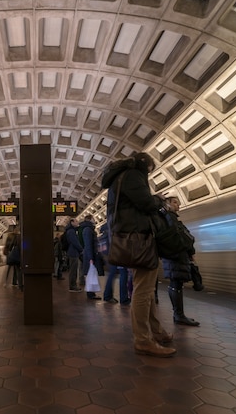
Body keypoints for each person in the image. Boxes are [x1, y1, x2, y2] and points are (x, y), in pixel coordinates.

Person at [101, 152, 176, 357]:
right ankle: (143, 340)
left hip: (133, 240)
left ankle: (156, 332)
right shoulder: (133, 175)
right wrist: (159, 199)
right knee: (144, 291)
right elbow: (146, 203)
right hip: (139, 241)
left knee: (146, 289)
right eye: (150, 170)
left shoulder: (119, 177)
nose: (149, 174)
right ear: (146, 165)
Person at [161, 196, 200, 327]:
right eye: (175, 202)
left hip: (175, 256)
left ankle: (179, 314)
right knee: (176, 285)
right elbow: (181, 236)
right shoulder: (169, 218)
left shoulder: (171, 218)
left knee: (176, 285)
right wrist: (189, 244)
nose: (178, 205)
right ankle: (179, 315)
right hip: (175, 256)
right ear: (167, 204)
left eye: (178, 203)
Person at [100, 222, 130, 305]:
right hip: (118, 255)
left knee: (111, 275)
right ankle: (124, 299)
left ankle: (107, 296)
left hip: (109, 257)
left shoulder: (103, 234)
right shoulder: (115, 229)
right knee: (123, 275)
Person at [80, 215, 102, 300]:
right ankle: (90, 294)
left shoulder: (88, 229)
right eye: (93, 218)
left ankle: (91, 293)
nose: (95, 220)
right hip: (90, 255)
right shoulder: (88, 230)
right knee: (90, 274)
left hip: (91, 254)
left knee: (91, 274)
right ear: (89, 220)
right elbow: (88, 244)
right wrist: (90, 258)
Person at [64, 218, 83, 292]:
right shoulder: (71, 231)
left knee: (74, 269)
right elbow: (75, 242)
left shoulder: (70, 230)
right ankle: (72, 286)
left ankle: (73, 285)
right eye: (76, 221)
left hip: (72, 252)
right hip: (73, 252)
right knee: (73, 270)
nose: (77, 222)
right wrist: (81, 249)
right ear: (72, 222)